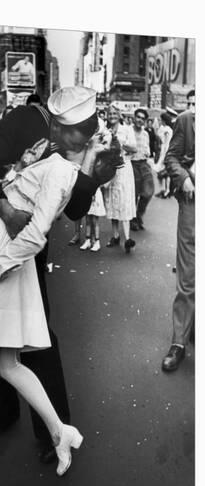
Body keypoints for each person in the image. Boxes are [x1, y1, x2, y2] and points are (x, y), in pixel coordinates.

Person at [0, 101, 119, 473]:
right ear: (60, 123)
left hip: (11, 249)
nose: (81, 138)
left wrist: (90, 166)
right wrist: (4, 208)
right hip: (2, 233)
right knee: (3, 350)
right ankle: (0, 426)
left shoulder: (69, 154)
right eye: (81, 131)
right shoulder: (26, 121)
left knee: (15, 344)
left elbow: (72, 211)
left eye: (89, 132)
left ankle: (42, 432)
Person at [161, 90, 195, 372]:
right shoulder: (186, 120)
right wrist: (183, 178)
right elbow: (171, 158)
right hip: (194, 205)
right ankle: (179, 342)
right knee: (188, 278)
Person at [104, 103, 137, 252]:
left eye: (114, 114)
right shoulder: (105, 130)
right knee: (113, 200)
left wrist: (120, 143)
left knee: (124, 200)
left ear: (119, 115)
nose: (112, 116)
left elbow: (134, 149)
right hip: (111, 169)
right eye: (110, 114)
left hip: (124, 168)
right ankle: (115, 235)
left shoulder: (126, 129)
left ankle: (127, 238)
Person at [130, 108, 155, 231]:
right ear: (134, 118)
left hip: (144, 164)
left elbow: (148, 150)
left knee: (148, 192)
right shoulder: (128, 131)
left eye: (142, 118)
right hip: (132, 164)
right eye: (138, 117)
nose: (140, 120)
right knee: (133, 194)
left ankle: (139, 214)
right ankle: (133, 219)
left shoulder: (146, 133)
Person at [154, 113, 174, 198]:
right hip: (163, 152)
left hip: (166, 152)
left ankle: (167, 191)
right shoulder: (164, 129)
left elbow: (167, 143)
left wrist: (166, 155)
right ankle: (164, 190)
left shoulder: (167, 130)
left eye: (161, 120)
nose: (160, 121)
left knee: (167, 173)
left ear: (164, 120)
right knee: (162, 173)